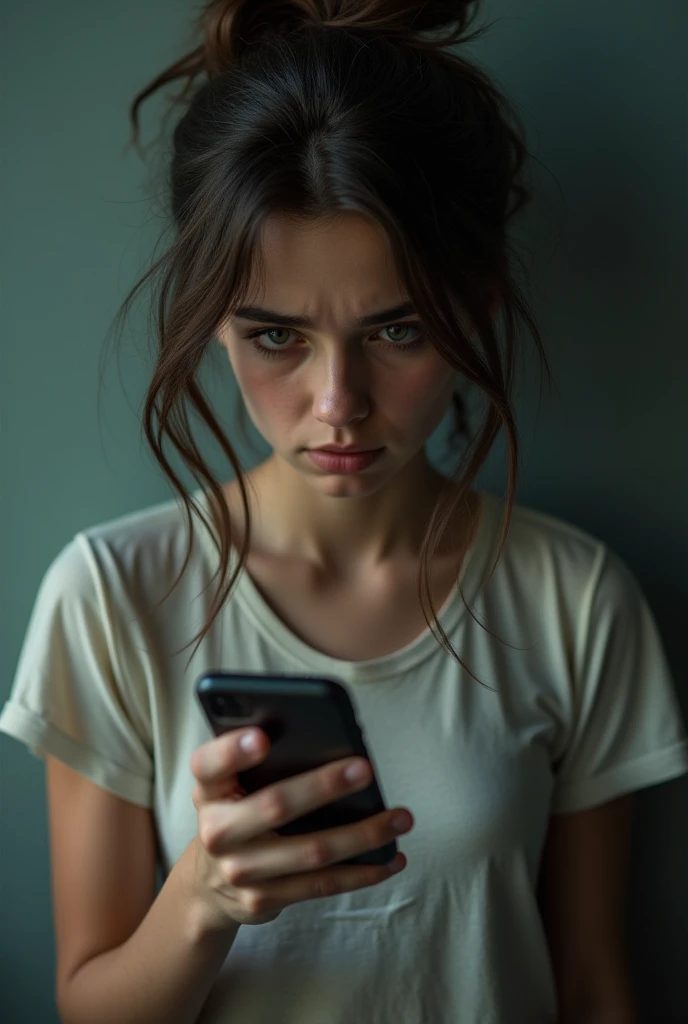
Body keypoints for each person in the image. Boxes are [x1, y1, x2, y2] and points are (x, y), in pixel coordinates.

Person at [1, 2, 687, 1022]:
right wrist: (203, 896)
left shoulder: (573, 597)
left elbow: (592, 985)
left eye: (397, 329)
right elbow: (86, 1002)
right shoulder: (112, 594)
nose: (337, 403)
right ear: (213, 327)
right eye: (276, 337)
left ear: (475, 308)